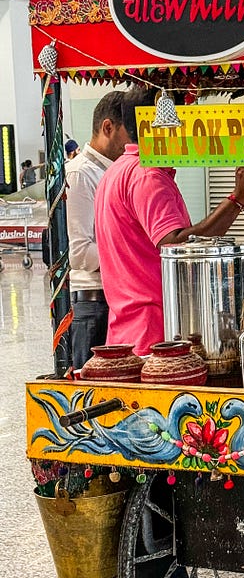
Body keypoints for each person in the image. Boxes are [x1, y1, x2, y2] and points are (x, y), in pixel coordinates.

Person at [95, 87, 244, 355]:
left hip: (129, 329)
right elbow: (173, 244)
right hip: (155, 332)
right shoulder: (147, 176)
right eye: (181, 116)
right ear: (164, 120)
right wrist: (237, 198)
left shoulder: (117, 171)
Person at [65, 91, 130, 370]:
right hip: (93, 304)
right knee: (91, 394)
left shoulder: (115, 171)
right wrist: (129, 256)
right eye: (131, 134)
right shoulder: (81, 173)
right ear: (108, 128)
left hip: (116, 298)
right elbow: (79, 253)